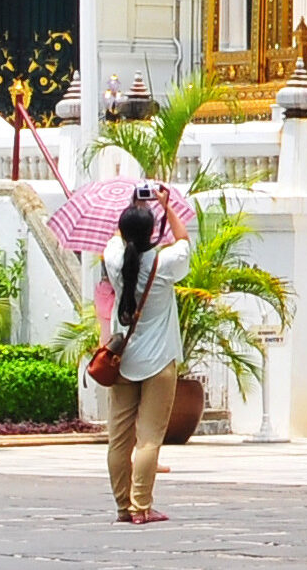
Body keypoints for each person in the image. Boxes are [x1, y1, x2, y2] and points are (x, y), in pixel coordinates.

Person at [96, 184, 193, 526]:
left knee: (119, 439)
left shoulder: (113, 257)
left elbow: (117, 236)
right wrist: (165, 207)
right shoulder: (165, 262)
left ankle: (124, 506)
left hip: (122, 360)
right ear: (152, 230)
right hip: (159, 361)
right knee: (150, 439)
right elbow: (184, 242)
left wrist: (131, 206)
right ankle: (142, 506)